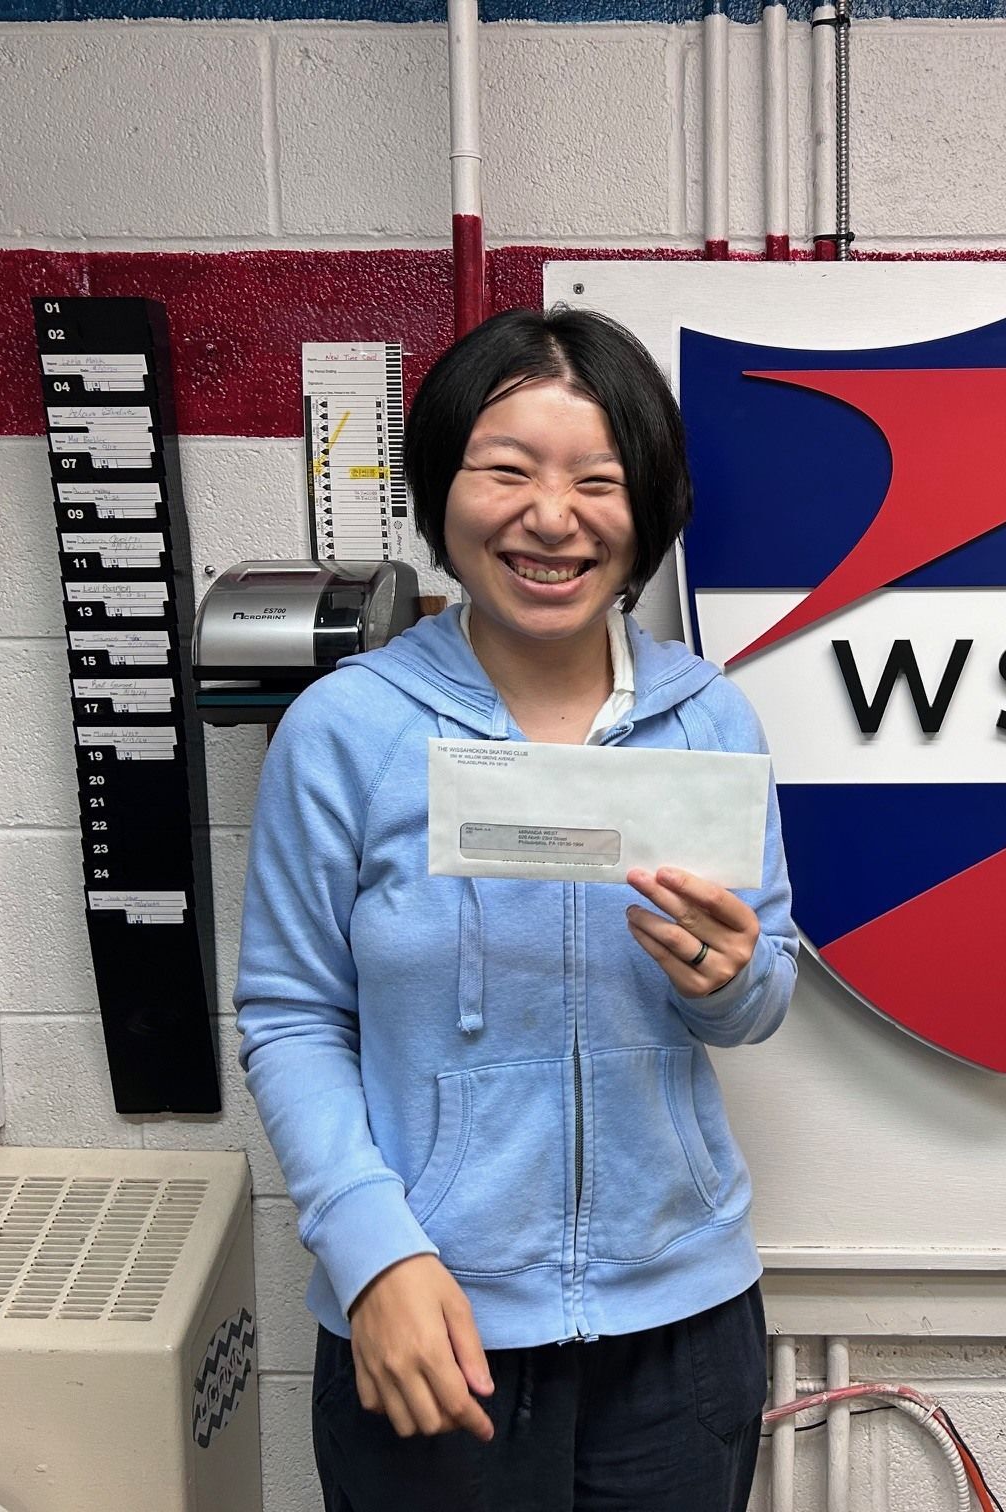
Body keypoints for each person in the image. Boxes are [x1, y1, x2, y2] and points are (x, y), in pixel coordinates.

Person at [234, 305, 799, 1511]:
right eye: (507, 471)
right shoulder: (349, 730)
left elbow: (764, 987)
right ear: (444, 490)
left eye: (598, 480)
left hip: (682, 1329)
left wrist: (733, 981)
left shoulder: (711, 719)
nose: (552, 517)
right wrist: (369, 1250)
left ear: (647, 509)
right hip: (429, 1317)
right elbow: (289, 1014)